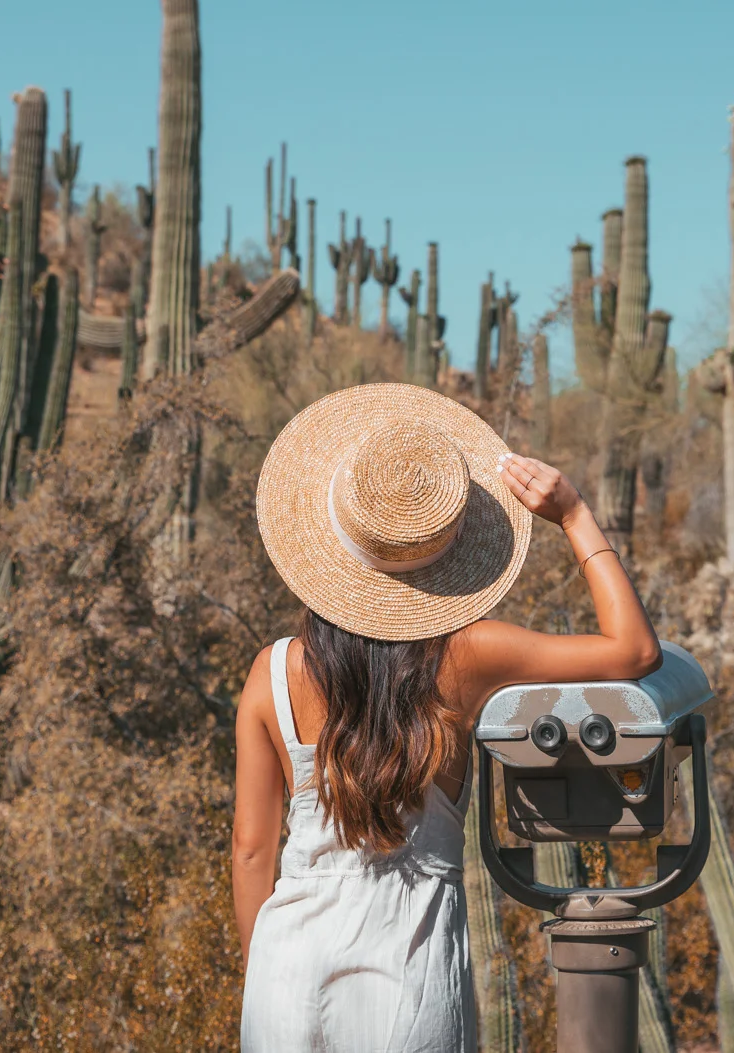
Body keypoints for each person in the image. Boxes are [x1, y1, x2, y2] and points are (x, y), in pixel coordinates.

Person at [234, 382, 660, 1052]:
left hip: (286, 967)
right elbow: (634, 649)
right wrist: (574, 513)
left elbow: (254, 850)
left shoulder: (274, 671)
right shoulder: (469, 654)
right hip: (410, 962)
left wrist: (261, 975)